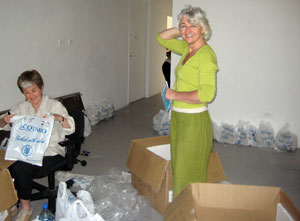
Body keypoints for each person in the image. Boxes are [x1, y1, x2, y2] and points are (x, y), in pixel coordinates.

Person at [156, 5, 218, 198]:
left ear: (203, 29)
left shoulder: (206, 55)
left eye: (194, 26)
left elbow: (207, 94)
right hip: (179, 117)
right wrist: (180, 25)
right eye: (184, 26)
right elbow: (161, 38)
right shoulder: (186, 49)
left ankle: (186, 208)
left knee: (188, 168)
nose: (188, 30)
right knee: (178, 164)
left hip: (194, 121)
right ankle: (182, 205)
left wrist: (174, 95)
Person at [0, 70, 75, 221]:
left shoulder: (54, 105)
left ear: (41, 87)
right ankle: (12, 200)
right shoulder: (21, 107)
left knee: (21, 167)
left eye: (34, 90)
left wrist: (57, 117)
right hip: (27, 151)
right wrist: (5, 120)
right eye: (26, 92)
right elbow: (2, 125)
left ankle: (25, 207)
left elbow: (71, 127)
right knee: (7, 165)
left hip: (50, 152)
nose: (31, 95)